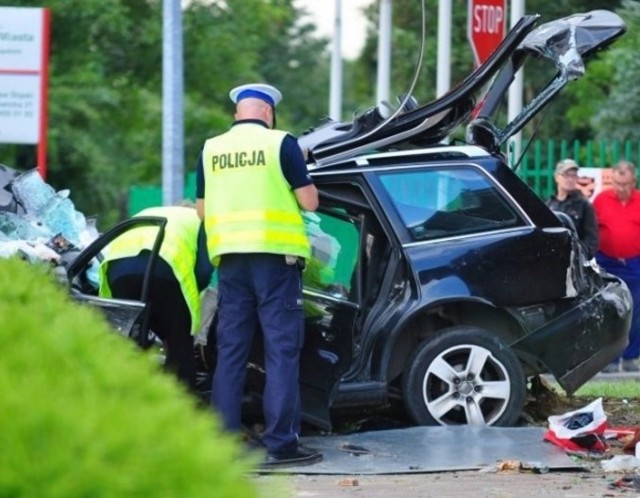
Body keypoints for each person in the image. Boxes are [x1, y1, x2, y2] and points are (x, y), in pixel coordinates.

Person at [195, 83, 321, 467]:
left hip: (231, 263)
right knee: (281, 352)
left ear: (238, 114)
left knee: (230, 352)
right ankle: (282, 445)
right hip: (275, 263)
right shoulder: (282, 144)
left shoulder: (211, 148)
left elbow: (202, 211)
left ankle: (225, 445)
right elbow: (309, 201)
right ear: (268, 113)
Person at [98, 205, 213, 389]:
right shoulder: (200, 219)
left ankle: (125, 393)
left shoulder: (146, 211)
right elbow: (204, 270)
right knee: (180, 345)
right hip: (165, 268)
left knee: (129, 340)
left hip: (118, 272)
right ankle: (183, 403)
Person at [593, 160, 640, 373]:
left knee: (636, 311)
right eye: (618, 183)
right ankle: (610, 360)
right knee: (610, 310)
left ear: (634, 182)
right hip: (607, 261)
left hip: (634, 263)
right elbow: (592, 230)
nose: (621, 188)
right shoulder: (601, 200)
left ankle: (631, 358)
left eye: (626, 184)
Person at [546, 158, 599, 258]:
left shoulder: (584, 205)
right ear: (557, 177)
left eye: (573, 175)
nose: (570, 179)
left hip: (574, 263)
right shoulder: (549, 204)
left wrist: (581, 257)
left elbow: (591, 238)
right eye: (566, 175)